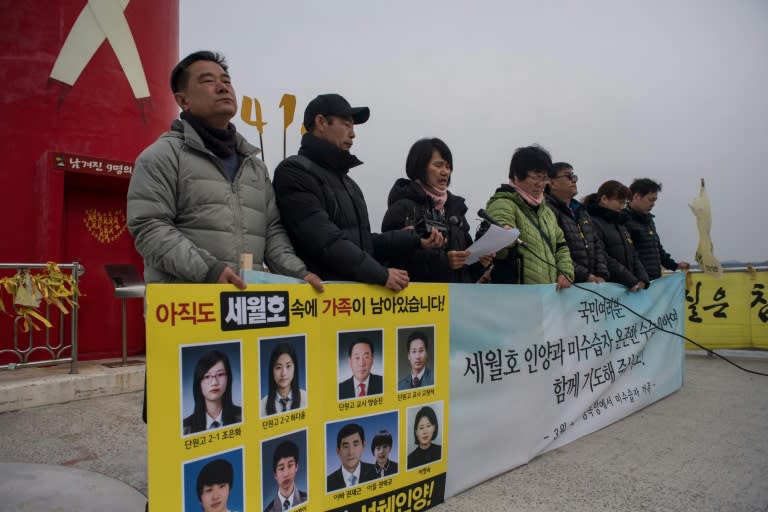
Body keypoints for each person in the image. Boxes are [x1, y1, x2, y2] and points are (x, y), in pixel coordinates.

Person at [127, 51, 322, 292]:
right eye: (208, 81)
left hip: (245, 304)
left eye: (226, 81)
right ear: (183, 100)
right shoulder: (162, 156)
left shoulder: (253, 165)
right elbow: (149, 227)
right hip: (187, 309)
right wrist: (209, 270)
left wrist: (298, 273)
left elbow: (272, 231)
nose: (222, 88)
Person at [272, 94, 444, 292]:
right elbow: (325, 240)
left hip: (354, 302)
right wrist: (381, 274)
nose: (352, 134)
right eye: (346, 124)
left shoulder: (349, 183)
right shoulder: (294, 172)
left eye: (353, 127)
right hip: (319, 300)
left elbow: (362, 244)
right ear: (320, 122)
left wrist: (413, 239)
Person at [381, 138, 493, 282]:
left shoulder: (455, 211)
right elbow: (390, 259)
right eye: (438, 165)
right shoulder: (403, 207)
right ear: (420, 167)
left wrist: (479, 262)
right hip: (423, 301)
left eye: (448, 166)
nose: (445, 172)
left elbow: (466, 272)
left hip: (458, 300)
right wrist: (444, 262)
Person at [484, 145, 574, 288]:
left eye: (545, 178)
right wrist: (504, 236)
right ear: (516, 176)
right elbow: (497, 245)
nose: (541, 184)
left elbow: (561, 246)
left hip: (549, 295)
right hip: (519, 297)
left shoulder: (547, 212)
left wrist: (566, 272)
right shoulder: (503, 203)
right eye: (536, 177)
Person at [545, 162, 609, 284]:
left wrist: (601, 274)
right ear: (551, 182)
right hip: (567, 285)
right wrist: (586, 276)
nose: (573, 180)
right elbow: (554, 250)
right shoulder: (547, 210)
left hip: (594, 284)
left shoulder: (581, 210)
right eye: (568, 176)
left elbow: (597, 244)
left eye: (574, 176)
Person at [585, 181, 650, 291]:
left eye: (624, 203)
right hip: (609, 288)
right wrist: (629, 279)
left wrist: (642, 278)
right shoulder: (592, 222)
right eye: (620, 202)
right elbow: (602, 255)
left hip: (628, 286)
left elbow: (633, 253)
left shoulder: (620, 224)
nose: (622, 206)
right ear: (604, 199)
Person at [624, 178, 690, 280]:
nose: (653, 204)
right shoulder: (623, 220)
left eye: (655, 200)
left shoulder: (649, 220)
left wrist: (674, 265)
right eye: (650, 200)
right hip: (635, 284)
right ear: (636, 196)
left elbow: (657, 248)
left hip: (653, 282)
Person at [183, 350, 242, 435]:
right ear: (198, 382)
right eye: (207, 376)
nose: (214, 382)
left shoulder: (243, 416)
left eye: (220, 374)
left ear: (228, 379)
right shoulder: (185, 428)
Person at [326, 423, 377, 491]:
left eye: (355, 445)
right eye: (346, 447)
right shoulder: (328, 483)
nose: (351, 452)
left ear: (363, 445)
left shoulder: (376, 472)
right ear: (338, 451)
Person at [261, 343, 307, 416]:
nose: (283, 373)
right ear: (272, 371)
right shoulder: (262, 406)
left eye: (288, 366)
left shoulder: (306, 399)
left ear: (295, 368)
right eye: (278, 367)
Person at [264, 440, 307, 512]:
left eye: (290, 465)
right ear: (275, 475)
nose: (286, 474)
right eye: (281, 468)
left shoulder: (308, 499)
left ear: (296, 467)